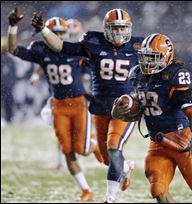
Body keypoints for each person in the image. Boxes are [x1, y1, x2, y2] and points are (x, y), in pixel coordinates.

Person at [31, 8, 144, 203]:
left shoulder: (138, 46)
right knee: (107, 159)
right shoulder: (93, 41)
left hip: (125, 109)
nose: (119, 33)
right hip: (100, 108)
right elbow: (61, 46)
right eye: (115, 29)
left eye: (122, 28)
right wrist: (43, 30)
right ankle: (125, 167)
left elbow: (160, 59)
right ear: (106, 29)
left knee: (113, 147)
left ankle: (110, 198)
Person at [7, 7, 103, 201]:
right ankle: (86, 190)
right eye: (55, 33)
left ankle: (94, 145)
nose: (58, 37)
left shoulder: (76, 51)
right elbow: (13, 49)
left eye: (61, 33)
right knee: (67, 151)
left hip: (78, 104)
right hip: (58, 105)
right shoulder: (40, 50)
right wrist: (12, 27)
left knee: (82, 150)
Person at [112, 33, 192, 203]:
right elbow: (132, 114)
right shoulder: (137, 75)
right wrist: (120, 108)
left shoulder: (175, 75)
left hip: (181, 139)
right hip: (158, 142)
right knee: (158, 190)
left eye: (152, 58)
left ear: (165, 57)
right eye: (145, 57)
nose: (147, 62)